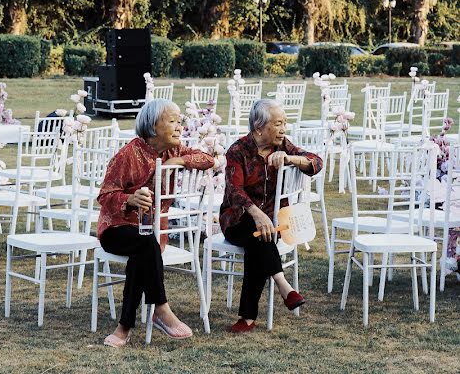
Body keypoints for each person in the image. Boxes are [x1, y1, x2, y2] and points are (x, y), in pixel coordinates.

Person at [97, 98, 215, 348]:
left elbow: (208, 159)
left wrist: (180, 161)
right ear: (152, 126)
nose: (179, 126)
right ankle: (160, 309)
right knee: (144, 245)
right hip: (117, 229)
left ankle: (123, 329)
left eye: (180, 121)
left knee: (145, 248)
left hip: (153, 233)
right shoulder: (129, 154)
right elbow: (105, 197)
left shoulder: (174, 151)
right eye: (172, 121)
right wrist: (129, 198)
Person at [219, 98, 323, 333]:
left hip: (274, 221)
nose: (283, 129)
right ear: (258, 128)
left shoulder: (283, 146)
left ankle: (247, 319)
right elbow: (234, 191)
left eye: (284, 123)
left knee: (260, 239)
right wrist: (257, 214)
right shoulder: (237, 151)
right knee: (258, 235)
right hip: (237, 219)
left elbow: (317, 162)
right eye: (277, 124)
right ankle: (283, 285)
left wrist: (291, 159)